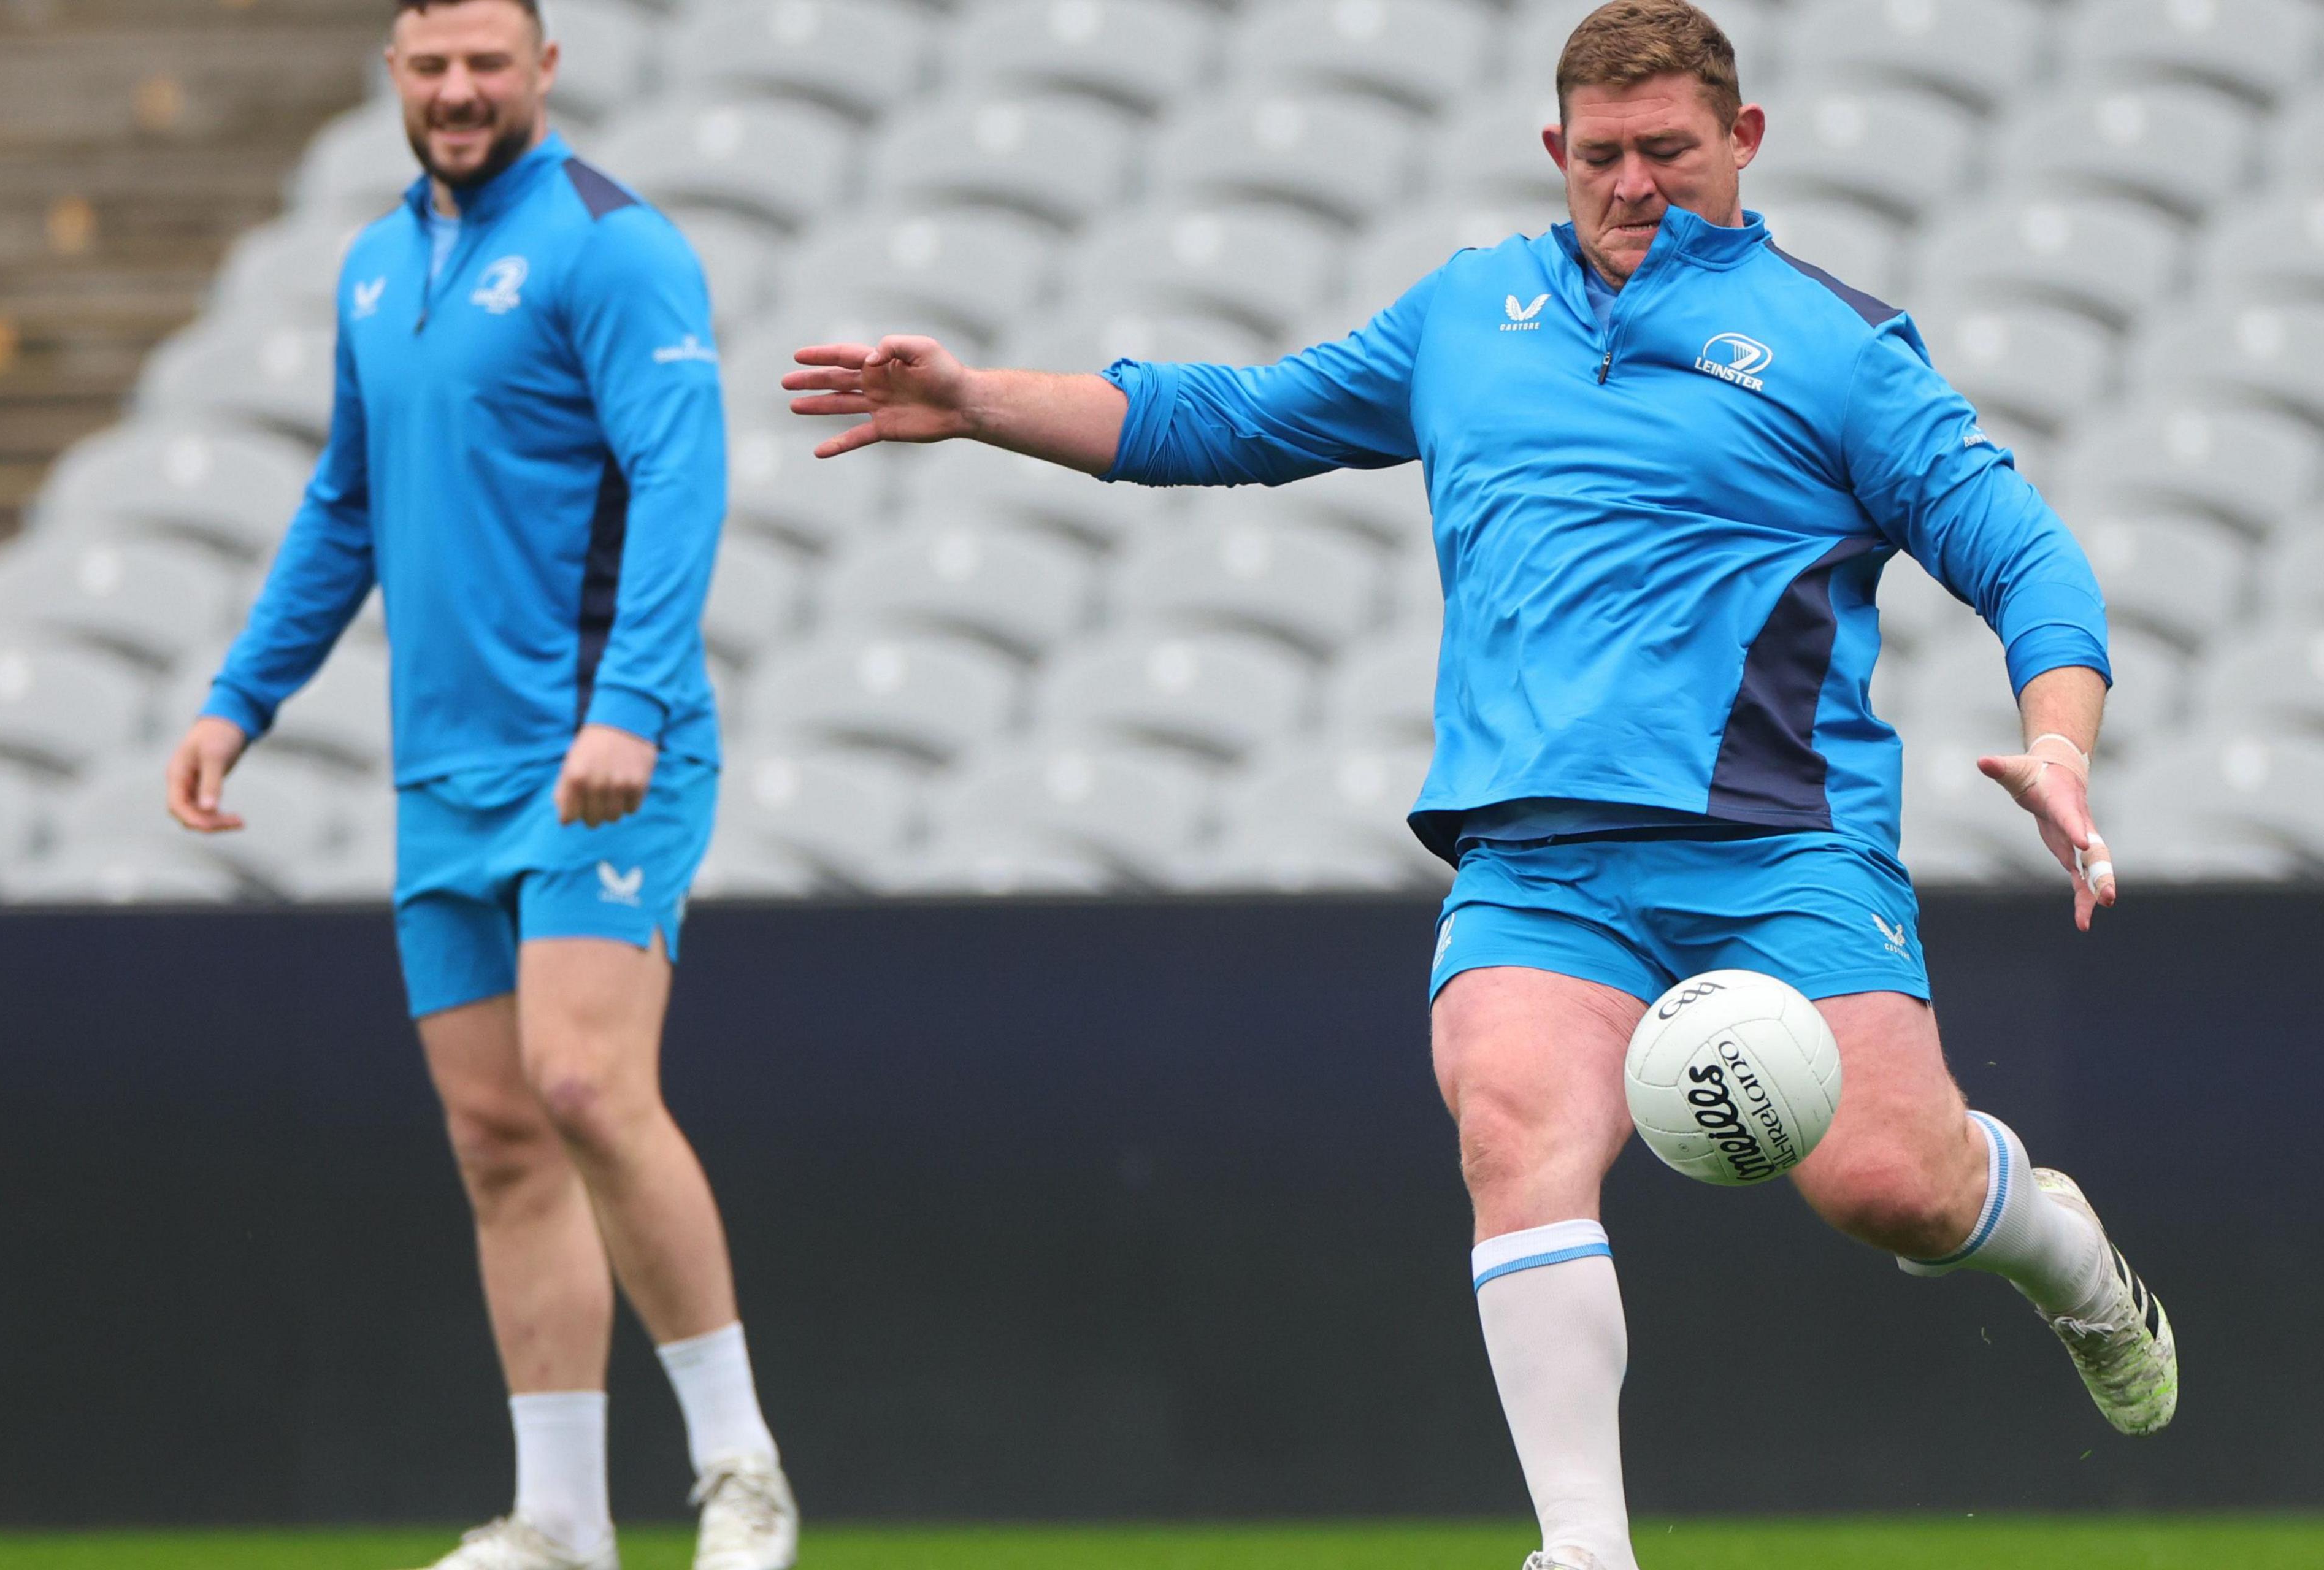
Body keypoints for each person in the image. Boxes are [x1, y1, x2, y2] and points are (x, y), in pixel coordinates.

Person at [780, 2, 2175, 1564]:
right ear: (1552, 152)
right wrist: (978, 402)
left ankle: (2064, 1251)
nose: (1633, 183)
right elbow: (1228, 420)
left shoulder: (1837, 347)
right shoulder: (1468, 312)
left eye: (1669, 150)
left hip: (1778, 848)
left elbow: (2028, 557)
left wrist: (2059, 744)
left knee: (1887, 1188)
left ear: (1744, 140)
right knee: (1513, 1128)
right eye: (1602, 157)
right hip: (1536, 858)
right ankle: (1585, 1546)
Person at [163, 2, 796, 1566]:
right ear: (393, 74)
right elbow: (343, 503)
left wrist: (632, 705)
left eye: (485, 64)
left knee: (587, 1086)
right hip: (444, 773)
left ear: (543, 72)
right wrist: (241, 695)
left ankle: (740, 1469)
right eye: (428, 65)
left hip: (601, 747)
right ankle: (561, 1517)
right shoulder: (377, 264)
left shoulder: (610, 244)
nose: (457, 92)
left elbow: (682, 471)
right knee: (502, 1139)